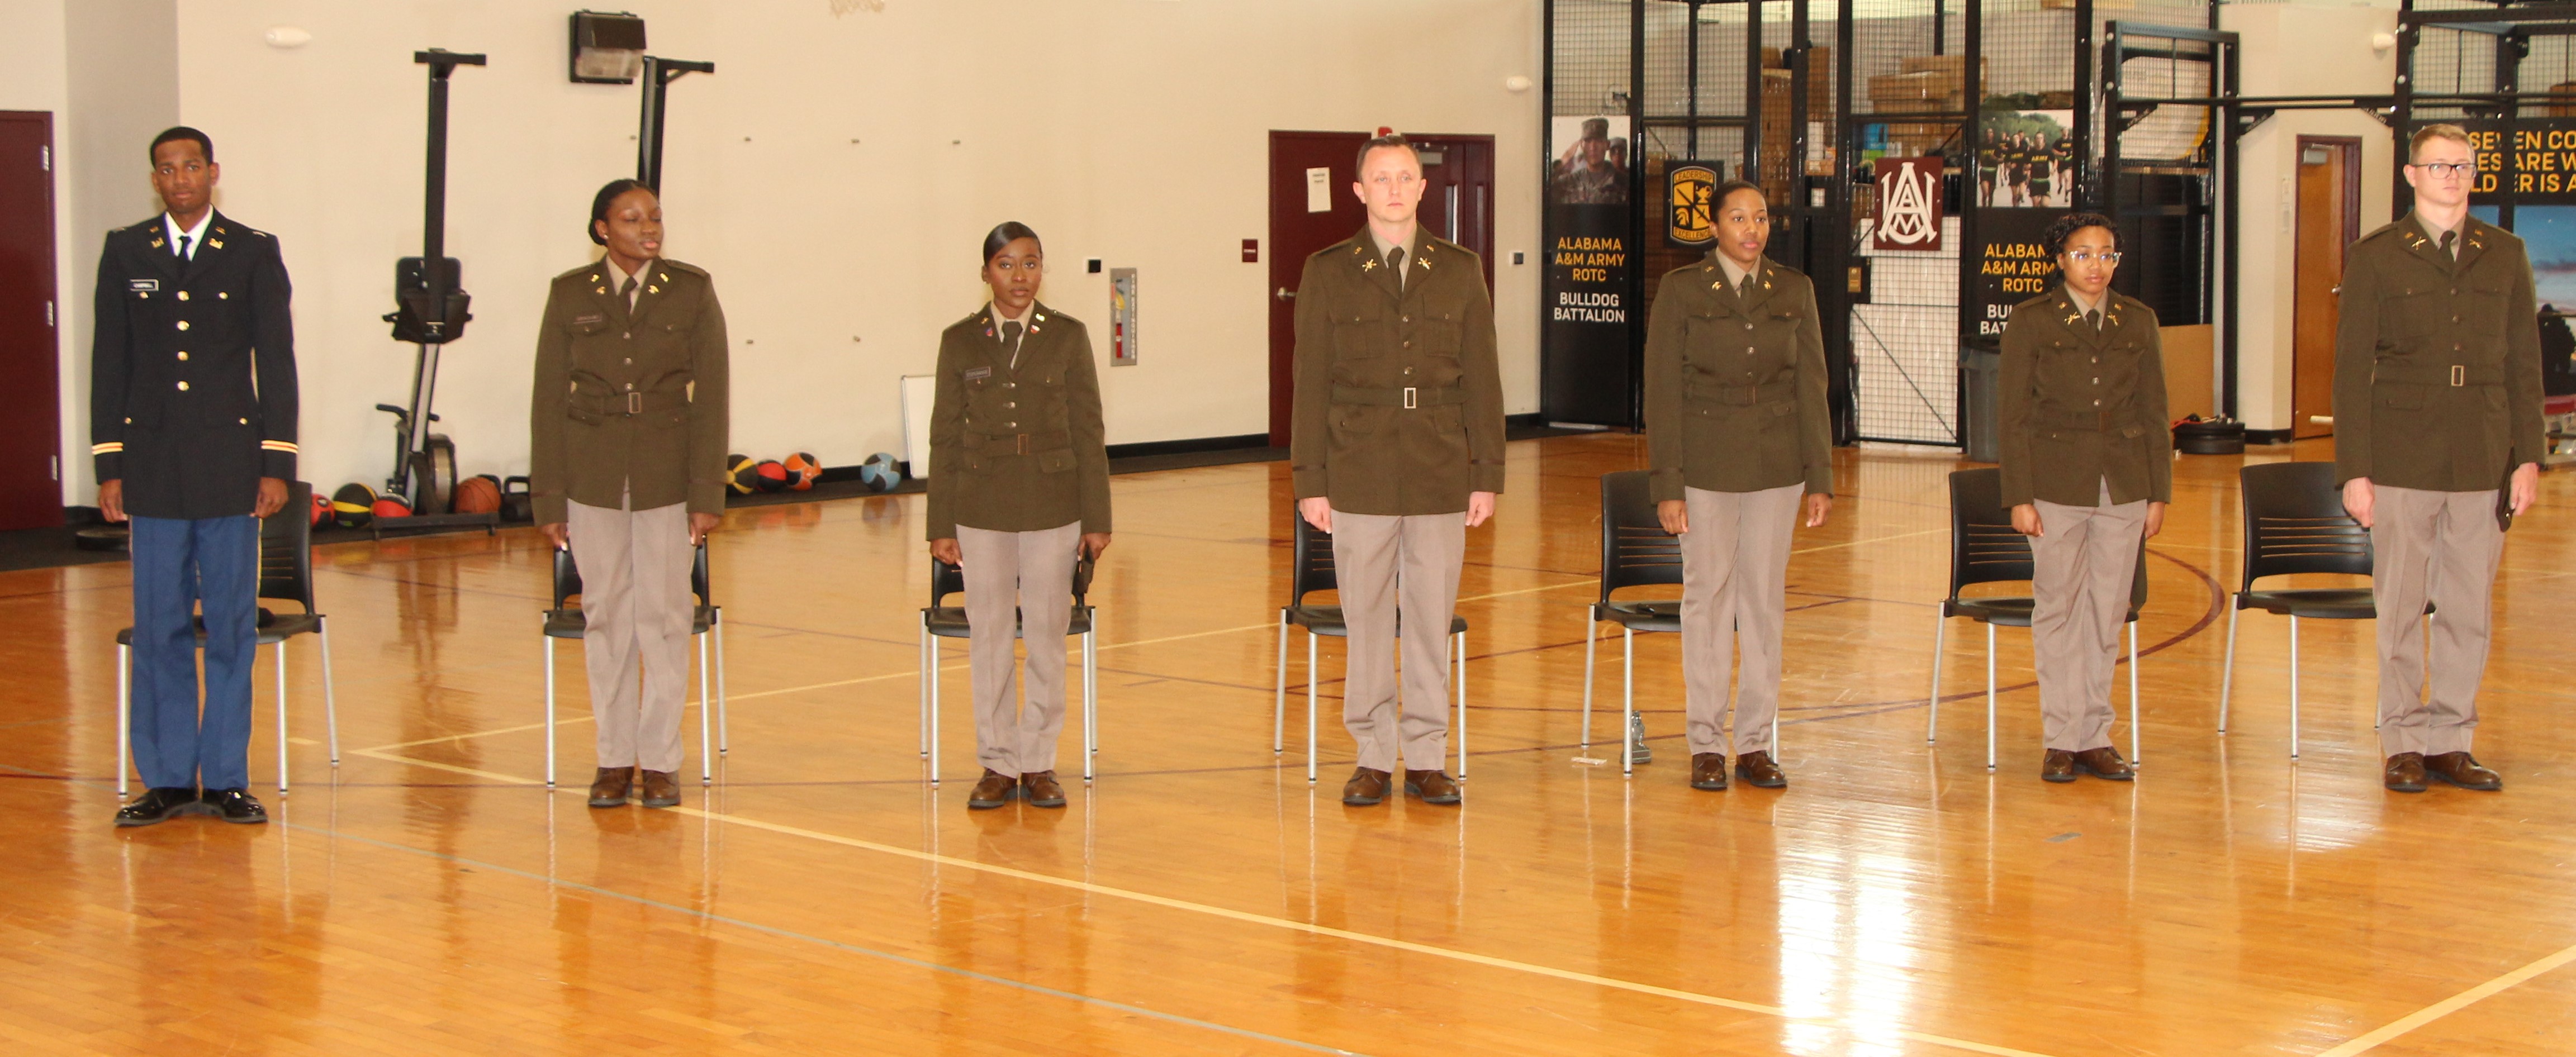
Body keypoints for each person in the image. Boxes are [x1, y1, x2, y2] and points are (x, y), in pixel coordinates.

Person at [1291, 132, 1505, 807]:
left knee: (1429, 619)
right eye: (1379, 178)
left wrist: (1486, 471)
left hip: (1441, 466)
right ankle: (1372, 754)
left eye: (1404, 177)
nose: (1392, 188)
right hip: (1359, 468)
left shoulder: (1460, 268)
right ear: (1358, 192)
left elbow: (1484, 380)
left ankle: (1426, 755)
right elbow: (1309, 383)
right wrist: (1310, 479)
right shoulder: (1328, 270)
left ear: (1421, 188)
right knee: (1365, 621)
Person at [94, 126, 298, 827]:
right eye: (165, 169)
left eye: (190, 166)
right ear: (155, 179)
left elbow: (276, 361)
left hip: (230, 468)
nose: (179, 179)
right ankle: (169, 778)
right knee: (158, 628)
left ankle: (229, 777)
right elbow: (109, 363)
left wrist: (277, 462)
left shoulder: (250, 250)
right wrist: (109, 464)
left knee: (233, 628)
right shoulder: (127, 250)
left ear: (214, 171)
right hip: (151, 468)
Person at [2332, 123, 2545, 793]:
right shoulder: (2376, 255)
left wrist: (2527, 457)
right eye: (2438, 165)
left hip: (2482, 452)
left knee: (2467, 607)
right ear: (2411, 175)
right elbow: (2348, 369)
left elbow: (2524, 363)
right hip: (2400, 455)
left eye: (2461, 165)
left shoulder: (2505, 253)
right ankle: (2401, 739)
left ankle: (2451, 740)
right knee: (2398, 605)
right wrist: (2355, 470)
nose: (2451, 176)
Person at [530, 179, 729, 810]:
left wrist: (706, 493)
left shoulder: (691, 291)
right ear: (602, 230)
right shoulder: (570, 295)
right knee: (607, 617)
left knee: (667, 618)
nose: (650, 228)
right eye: (633, 219)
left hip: (667, 477)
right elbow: (547, 401)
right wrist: (549, 497)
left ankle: (662, 760)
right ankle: (614, 758)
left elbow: (713, 397)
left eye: (656, 218)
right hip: (591, 476)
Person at [1640, 180, 1833, 792]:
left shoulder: (1794, 289)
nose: (1752, 228)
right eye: (1738, 218)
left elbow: (1811, 388)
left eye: (1761, 217)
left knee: (1762, 603)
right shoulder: (1681, 290)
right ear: (1714, 227)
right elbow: (1662, 391)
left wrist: (1819, 475)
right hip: (1704, 463)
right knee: (1707, 599)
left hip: (1777, 467)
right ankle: (1705, 742)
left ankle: (1753, 741)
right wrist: (1668, 483)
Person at [926, 222, 1112, 811]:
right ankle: (997, 763)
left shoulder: (1067, 336)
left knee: (1047, 638)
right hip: (980, 506)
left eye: (1030, 264)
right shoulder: (960, 340)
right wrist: (940, 523)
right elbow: (944, 436)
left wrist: (1096, 515)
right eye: (1006, 265)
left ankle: (1038, 761)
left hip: (1054, 504)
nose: (1020, 277)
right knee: (990, 639)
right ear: (986, 272)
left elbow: (1089, 429)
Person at [1997, 212, 2169, 783]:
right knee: (2058, 608)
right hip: (2054, 483)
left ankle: (2093, 734)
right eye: (2084, 253)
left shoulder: (2137, 320)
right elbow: (2013, 415)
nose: (2096, 265)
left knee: (2105, 612)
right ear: (2060, 260)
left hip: (2122, 483)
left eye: (2107, 254)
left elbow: (2154, 410)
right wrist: (2019, 494)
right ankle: (2060, 737)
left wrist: (2156, 492)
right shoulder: (2031, 320)